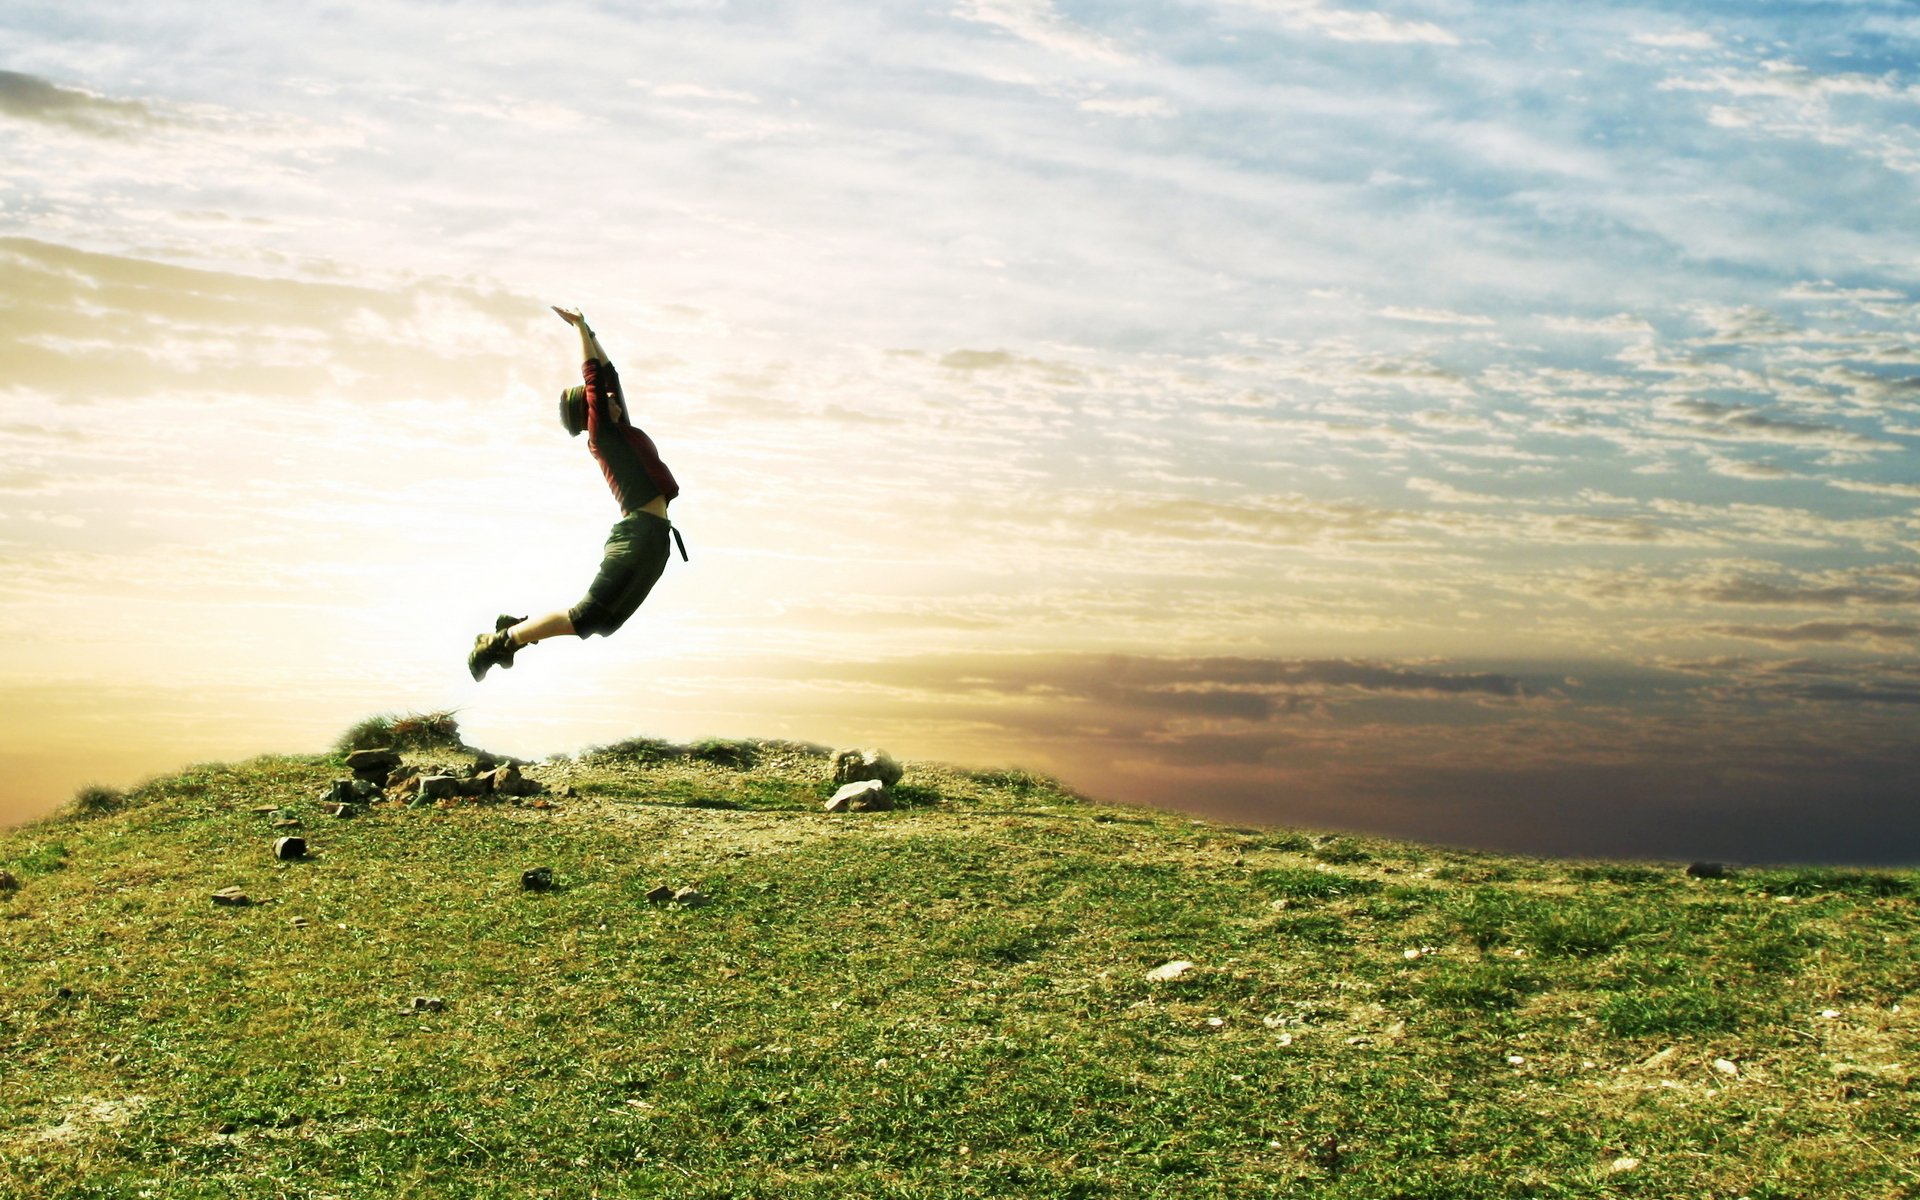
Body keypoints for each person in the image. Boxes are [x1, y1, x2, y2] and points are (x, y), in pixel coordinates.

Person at [468, 306, 686, 681]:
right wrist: (579, 329)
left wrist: (593, 333)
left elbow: (608, 374)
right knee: (586, 618)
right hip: (636, 539)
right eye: (600, 398)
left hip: (655, 541)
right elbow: (594, 377)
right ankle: (501, 640)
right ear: (591, 412)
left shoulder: (624, 430)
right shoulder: (604, 436)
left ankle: (515, 631)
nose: (609, 396)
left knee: (604, 623)